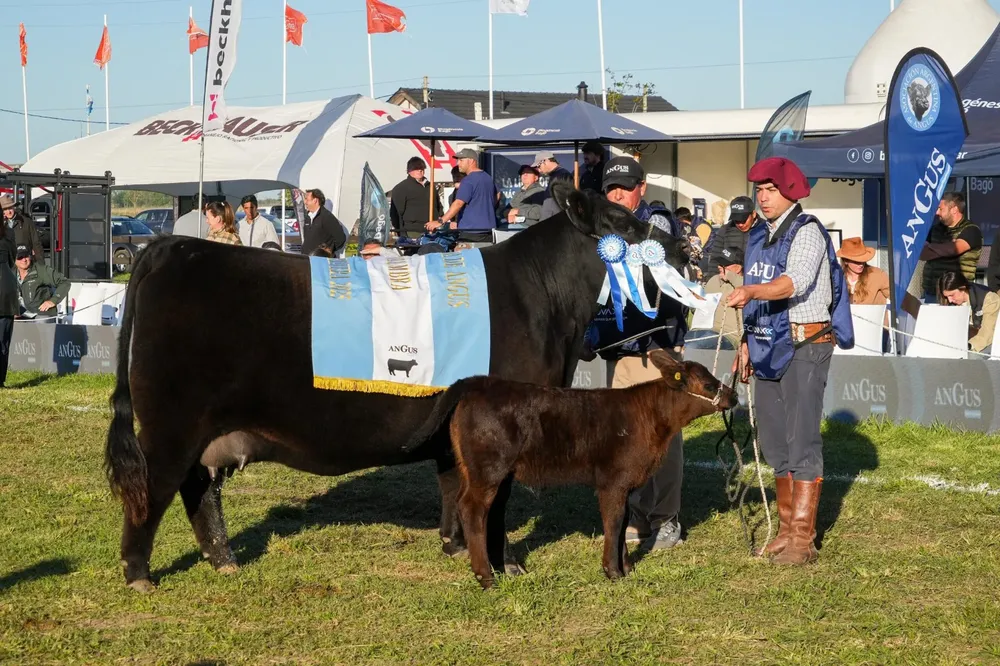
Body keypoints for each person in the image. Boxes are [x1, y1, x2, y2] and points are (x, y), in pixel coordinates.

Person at [727, 156, 851, 566]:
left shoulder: (809, 231)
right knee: (774, 441)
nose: (762, 197)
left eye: (771, 190)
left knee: (803, 440)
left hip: (805, 345)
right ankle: (784, 530)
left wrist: (751, 293)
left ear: (791, 193)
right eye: (759, 190)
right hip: (766, 344)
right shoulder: (759, 236)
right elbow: (756, 293)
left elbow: (791, 283)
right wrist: (746, 341)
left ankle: (803, 538)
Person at [584, 155, 689, 552]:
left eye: (625, 187)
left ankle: (666, 519)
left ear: (641, 188)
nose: (617, 194)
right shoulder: (600, 230)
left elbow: (649, 269)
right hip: (619, 347)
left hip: (656, 347)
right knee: (627, 438)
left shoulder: (656, 222)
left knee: (662, 435)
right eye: (611, 188)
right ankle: (640, 513)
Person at [921, 191, 982, 302]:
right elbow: (921, 254)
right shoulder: (935, 229)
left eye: (941, 209)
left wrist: (931, 246)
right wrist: (946, 248)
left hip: (957, 294)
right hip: (931, 292)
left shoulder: (971, 230)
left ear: (954, 209)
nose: (937, 212)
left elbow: (954, 249)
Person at [425, 148, 498, 240]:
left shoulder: (468, 181)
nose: (458, 163)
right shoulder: (488, 177)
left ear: (471, 161)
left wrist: (440, 221)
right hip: (489, 230)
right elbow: (498, 195)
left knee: (462, 253)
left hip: (470, 231)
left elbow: (458, 203)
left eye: (461, 160)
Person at [685, 246, 744, 350]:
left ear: (738, 267)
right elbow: (698, 310)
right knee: (682, 343)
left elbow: (745, 288)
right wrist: (696, 301)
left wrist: (730, 276)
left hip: (728, 335)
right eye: (719, 263)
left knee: (693, 346)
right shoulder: (714, 280)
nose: (719, 267)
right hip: (703, 330)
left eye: (724, 264)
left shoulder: (746, 284)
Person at [937, 271, 999, 355]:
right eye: (946, 296)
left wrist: (968, 346)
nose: (949, 300)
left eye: (952, 295)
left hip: (987, 344)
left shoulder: (989, 299)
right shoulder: (950, 302)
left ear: (963, 288)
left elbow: (988, 332)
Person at [700, 195, 755, 281]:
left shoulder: (764, 230)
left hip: (755, 284)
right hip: (728, 283)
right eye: (736, 220)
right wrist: (712, 284)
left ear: (753, 214)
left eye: (743, 220)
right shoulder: (725, 230)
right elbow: (715, 260)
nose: (740, 224)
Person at [390, 157, 443, 239]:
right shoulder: (401, 188)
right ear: (409, 171)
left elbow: (438, 206)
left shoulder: (431, 186)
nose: (420, 170)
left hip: (433, 230)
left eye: (422, 168)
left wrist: (439, 220)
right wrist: (401, 232)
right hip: (413, 231)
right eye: (416, 168)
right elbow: (395, 213)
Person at [14, 245, 70, 320]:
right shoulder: (10, 273)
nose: (24, 260)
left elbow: (64, 282)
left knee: (41, 325)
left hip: (42, 314)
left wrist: (53, 300)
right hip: (22, 315)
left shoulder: (41, 270)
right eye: (20, 257)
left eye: (26, 256)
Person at [837, 237, 889, 305]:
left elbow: (898, 296)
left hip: (872, 315)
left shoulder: (877, 275)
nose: (861, 264)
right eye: (856, 261)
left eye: (863, 260)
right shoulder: (837, 278)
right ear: (846, 261)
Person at [301, 189, 347, 256]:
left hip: (321, 261)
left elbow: (340, 238)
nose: (305, 202)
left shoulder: (327, 217)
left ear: (315, 200)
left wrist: (328, 251)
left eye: (307, 199)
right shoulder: (308, 217)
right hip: (307, 259)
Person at [0, 219, 18, 388]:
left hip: (5, 288)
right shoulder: (8, 233)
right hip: (6, 288)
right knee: (3, 338)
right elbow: (13, 259)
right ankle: (0, 379)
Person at [1, 194, 43, 263]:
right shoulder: (2, 225)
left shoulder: (27, 222)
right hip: (7, 264)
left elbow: (37, 244)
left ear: (14, 207)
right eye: (5, 209)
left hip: (25, 261)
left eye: (10, 208)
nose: (9, 212)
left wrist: (41, 266)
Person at [535, 150, 574, 221]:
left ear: (545, 161)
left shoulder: (561, 175)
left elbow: (562, 203)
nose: (538, 170)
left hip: (555, 223)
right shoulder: (556, 175)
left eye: (538, 166)